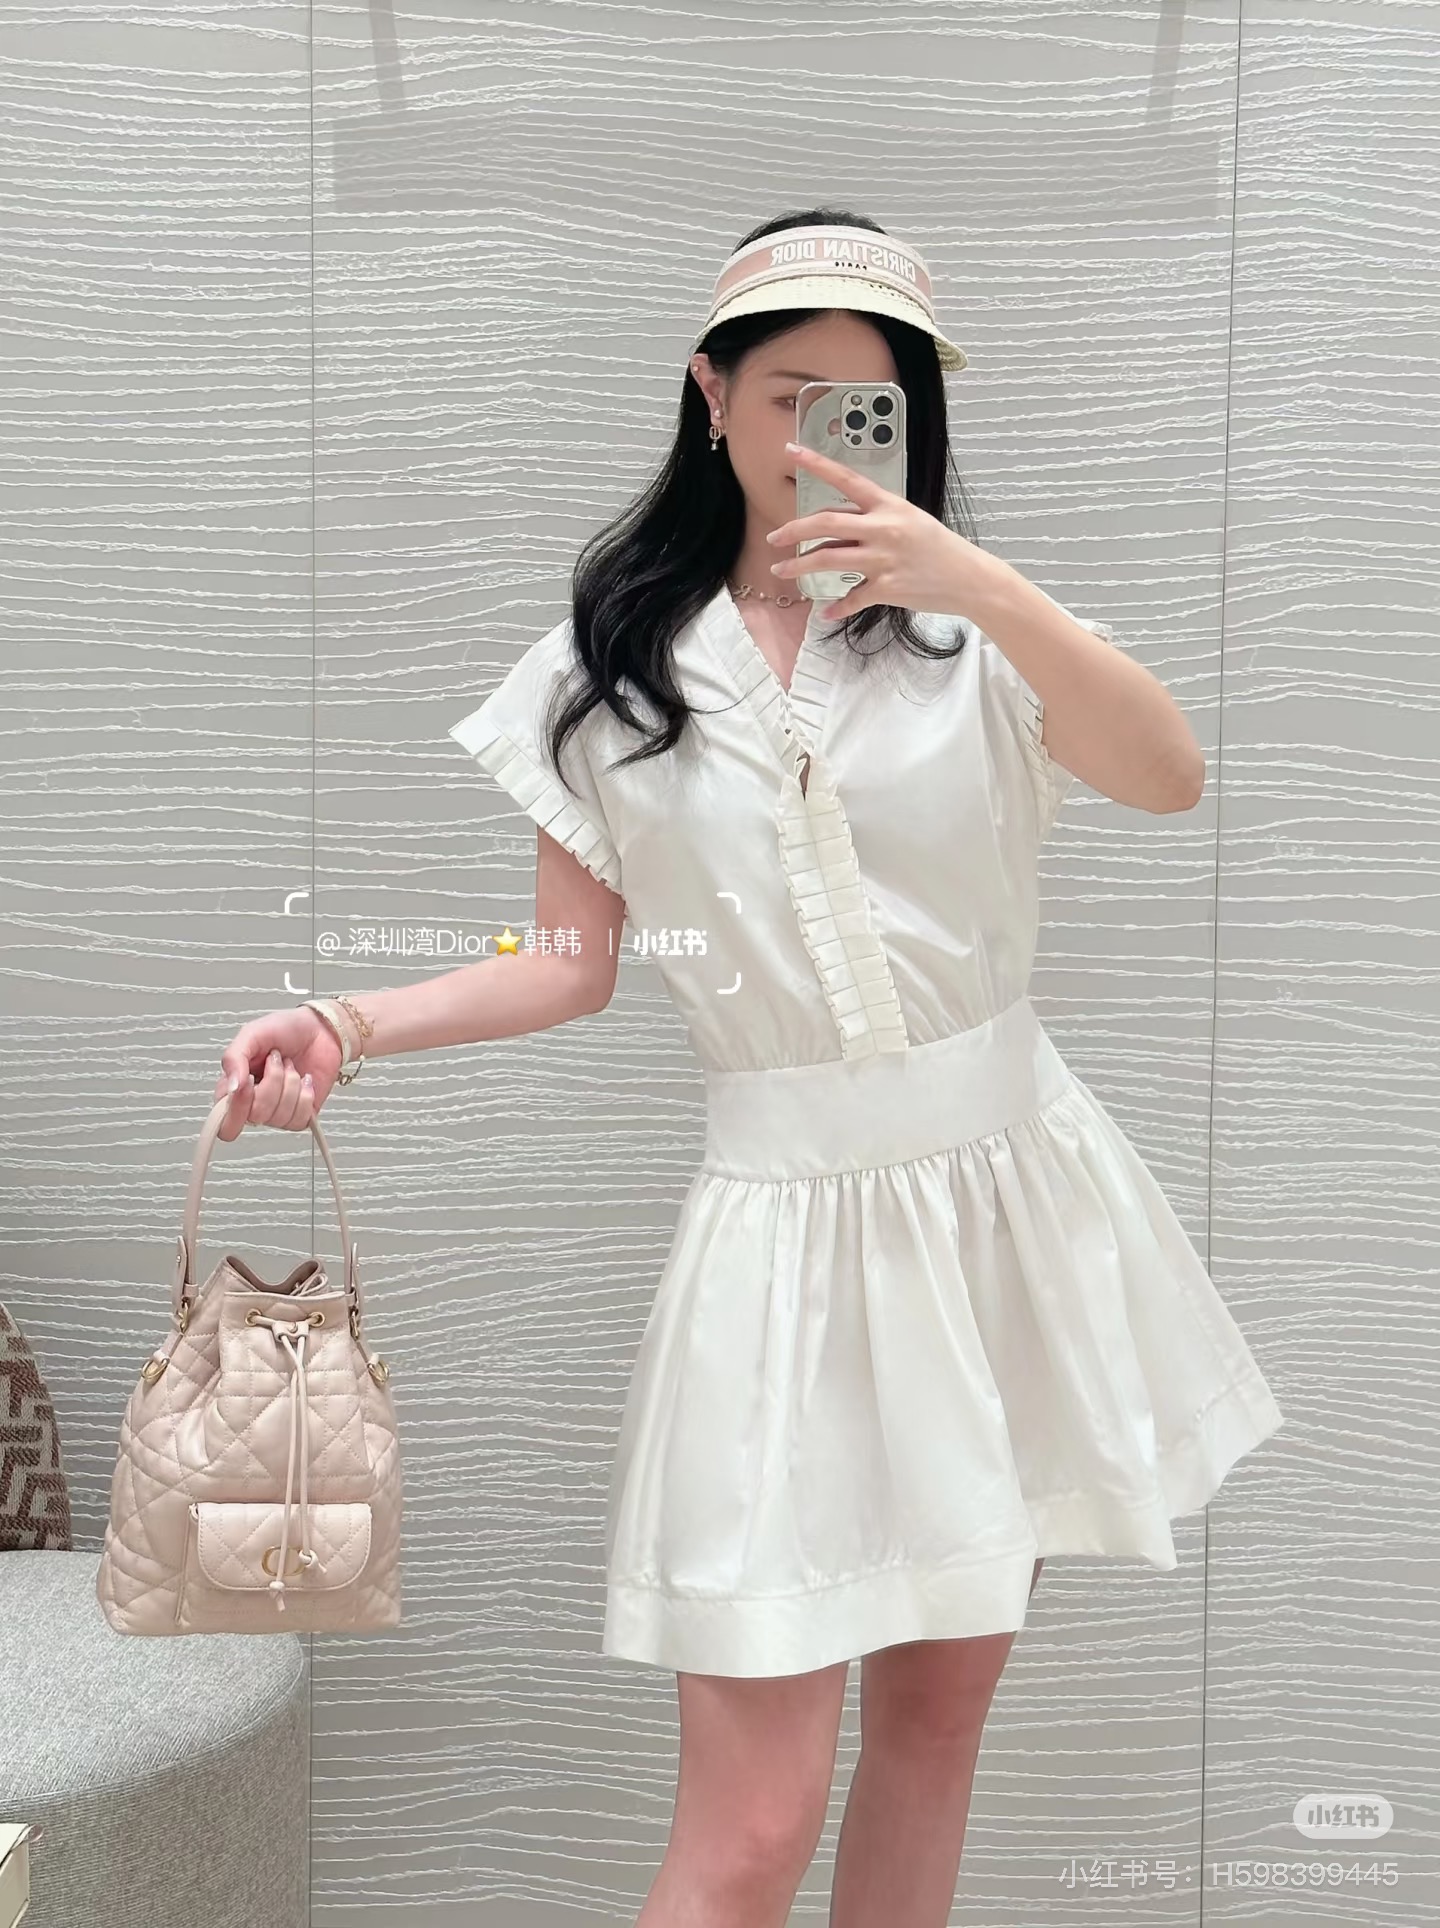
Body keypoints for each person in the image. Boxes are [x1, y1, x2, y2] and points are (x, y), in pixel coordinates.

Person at [216, 208, 1285, 1928]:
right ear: (709, 394)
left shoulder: (971, 639)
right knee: (752, 1824)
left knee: (933, 1734)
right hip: (783, 1245)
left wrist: (974, 583)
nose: (823, 439)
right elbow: (568, 965)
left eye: (873, 406)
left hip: (998, 1212)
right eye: (792, 395)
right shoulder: (609, 672)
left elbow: (1168, 774)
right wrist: (347, 1024)